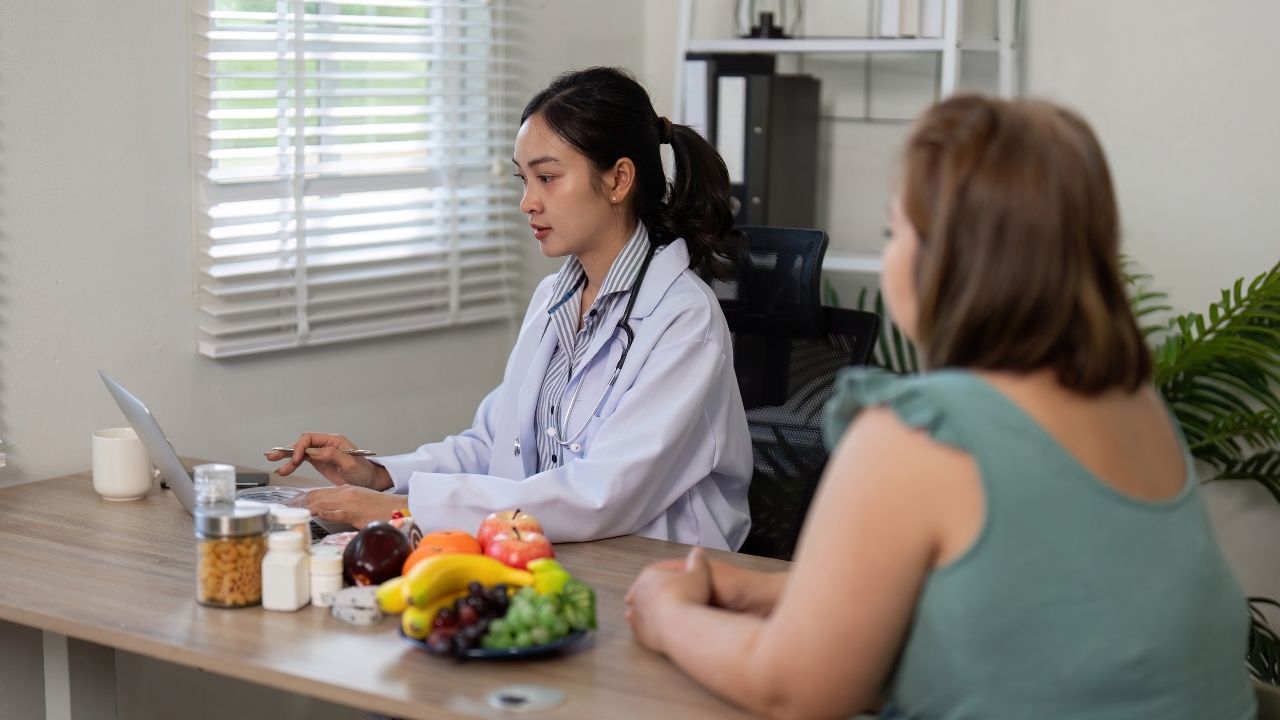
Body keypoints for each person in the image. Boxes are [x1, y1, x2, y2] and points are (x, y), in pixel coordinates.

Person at [624, 95, 1257, 718]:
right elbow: (1027, 612)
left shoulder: (919, 435)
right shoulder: (1138, 407)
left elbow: (791, 688)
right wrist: (767, 591)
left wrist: (666, 616)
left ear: (949, 261)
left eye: (895, 233)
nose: (890, 255)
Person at [267, 67, 752, 550]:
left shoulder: (684, 319)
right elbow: (494, 446)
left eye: (547, 178)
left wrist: (408, 510)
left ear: (619, 179)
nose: (527, 202)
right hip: (550, 550)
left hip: (654, 564)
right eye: (524, 179)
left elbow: (602, 495)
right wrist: (377, 475)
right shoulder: (554, 299)